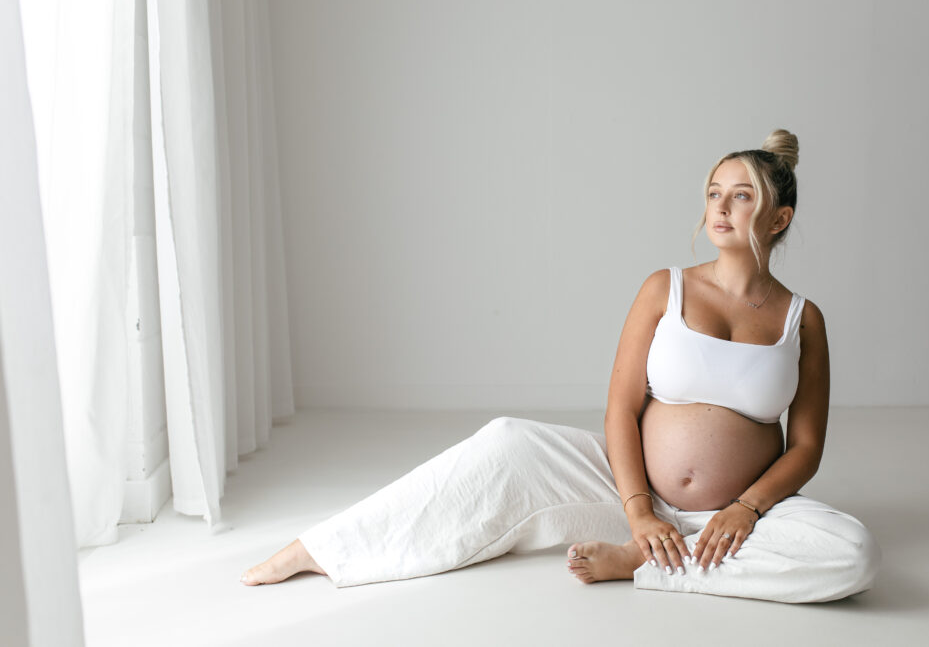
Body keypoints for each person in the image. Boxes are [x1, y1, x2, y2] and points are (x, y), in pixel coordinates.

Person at [240, 129, 881, 603]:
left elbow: (805, 447)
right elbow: (621, 409)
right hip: (626, 489)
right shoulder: (666, 289)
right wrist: (637, 511)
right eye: (714, 192)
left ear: (779, 217)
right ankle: (325, 549)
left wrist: (745, 509)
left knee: (852, 554)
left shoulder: (804, 320)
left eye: (742, 197)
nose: (720, 207)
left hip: (741, 517)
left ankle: (650, 564)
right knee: (506, 443)